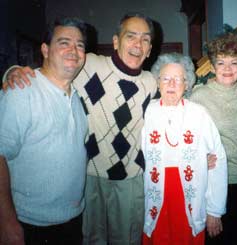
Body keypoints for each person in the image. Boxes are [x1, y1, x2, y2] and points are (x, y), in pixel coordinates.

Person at [3, 13, 158, 244]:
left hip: (130, 179)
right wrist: (12, 72)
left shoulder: (152, 82)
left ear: (150, 49)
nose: (138, 45)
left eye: (145, 39)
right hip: (89, 178)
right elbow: (50, 71)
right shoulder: (88, 65)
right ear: (116, 42)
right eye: (131, 36)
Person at [0, 17, 88, 245]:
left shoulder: (77, 96)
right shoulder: (22, 90)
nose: (73, 50)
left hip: (72, 221)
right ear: (45, 50)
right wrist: (6, 221)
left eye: (80, 45)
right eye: (64, 42)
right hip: (30, 225)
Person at [141, 52, 228, 244]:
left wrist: (215, 210)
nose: (171, 84)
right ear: (157, 82)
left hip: (190, 198)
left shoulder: (199, 114)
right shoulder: (148, 111)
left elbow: (218, 158)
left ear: (187, 84)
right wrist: (199, 160)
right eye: (166, 78)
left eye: (178, 79)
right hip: (157, 197)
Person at [190, 33, 237, 245]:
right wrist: (198, 157)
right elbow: (186, 137)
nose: (228, 69)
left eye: (233, 63)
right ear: (212, 66)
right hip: (213, 184)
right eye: (221, 63)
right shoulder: (198, 96)